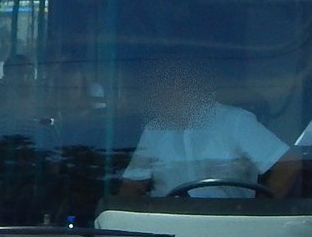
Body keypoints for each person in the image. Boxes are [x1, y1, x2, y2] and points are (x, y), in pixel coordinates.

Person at [118, 59, 298, 199]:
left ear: (193, 85)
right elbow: (133, 185)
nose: (161, 92)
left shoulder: (236, 122)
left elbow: (288, 165)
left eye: (171, 84)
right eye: (157, 86)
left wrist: (260, 212)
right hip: (166, 226)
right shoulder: (154, 130)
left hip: (228, 227)